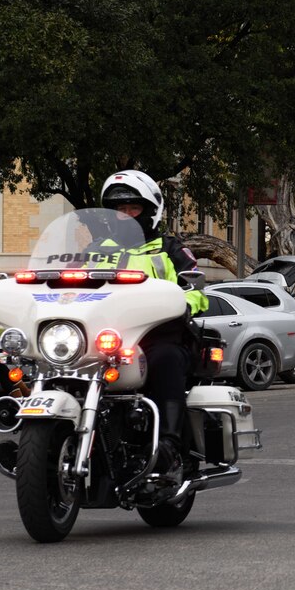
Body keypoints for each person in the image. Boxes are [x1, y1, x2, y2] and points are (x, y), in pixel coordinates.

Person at [97, 169, 209, 485]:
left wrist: (185, 301)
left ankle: (170, 446)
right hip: (105, 340)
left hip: (159, 337)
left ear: (150, 210)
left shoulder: (169, 248)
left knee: (165, 360)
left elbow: (197, 289)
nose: (126, 216)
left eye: (133, 208)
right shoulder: (95, 250)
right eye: (120, 210)